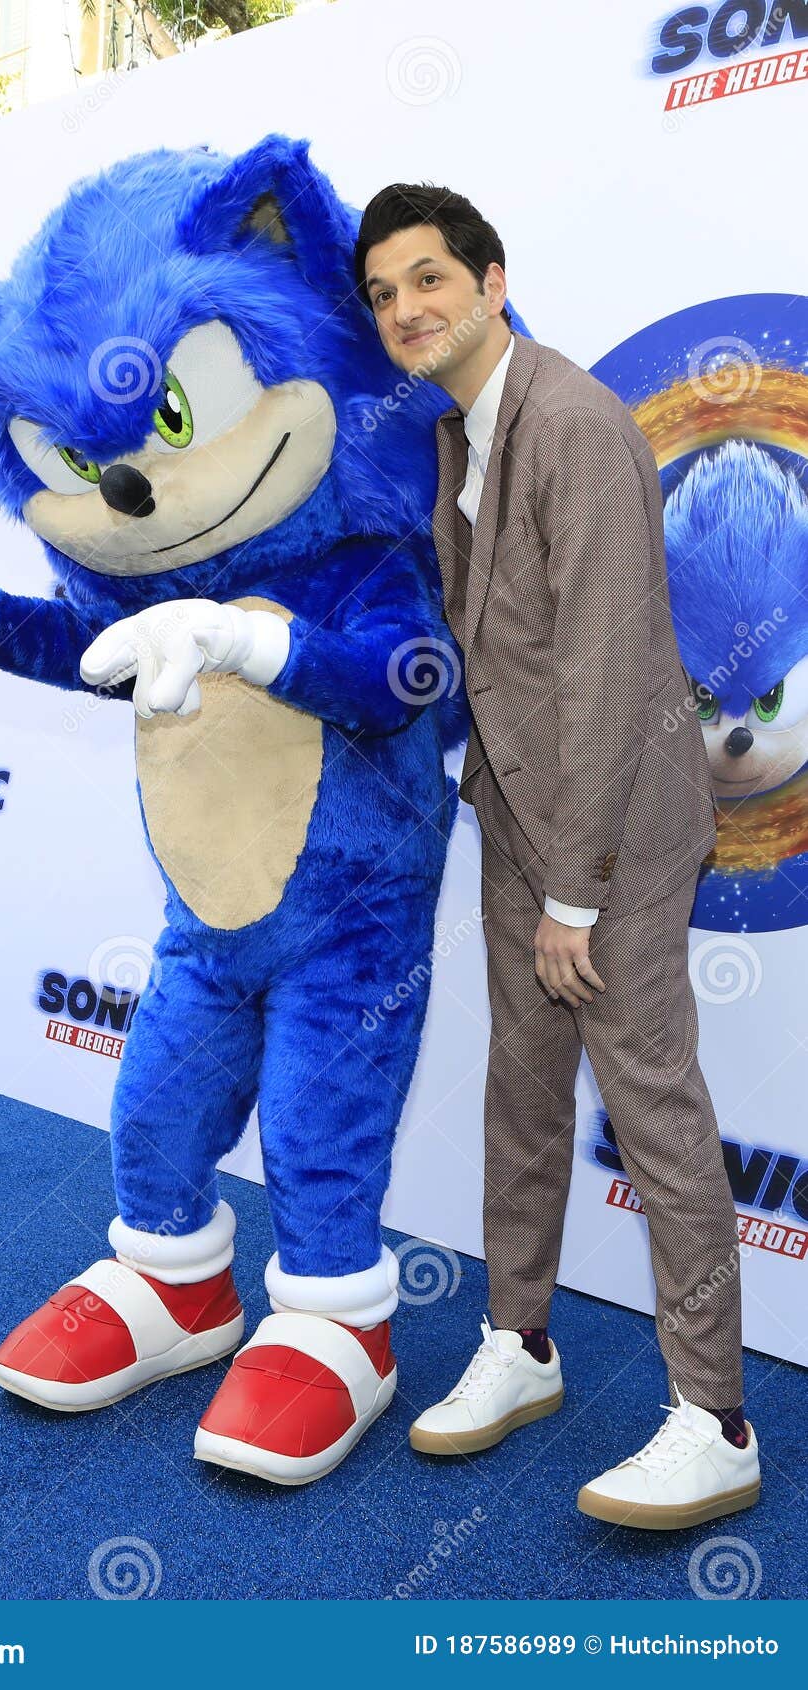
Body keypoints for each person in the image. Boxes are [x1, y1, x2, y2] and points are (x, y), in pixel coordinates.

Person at [353, 183, 761, 1530]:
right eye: (382, 293)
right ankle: (521, 1343)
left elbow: (602, 670)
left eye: (427, 279)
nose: (406, 309)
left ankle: (716, 1416)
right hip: (522, 819)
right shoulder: (460, 429)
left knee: (656, 1116)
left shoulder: (574, 423)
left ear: (491, 279)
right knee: (520, 1097)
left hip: (616, 838)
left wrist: (577, 891)